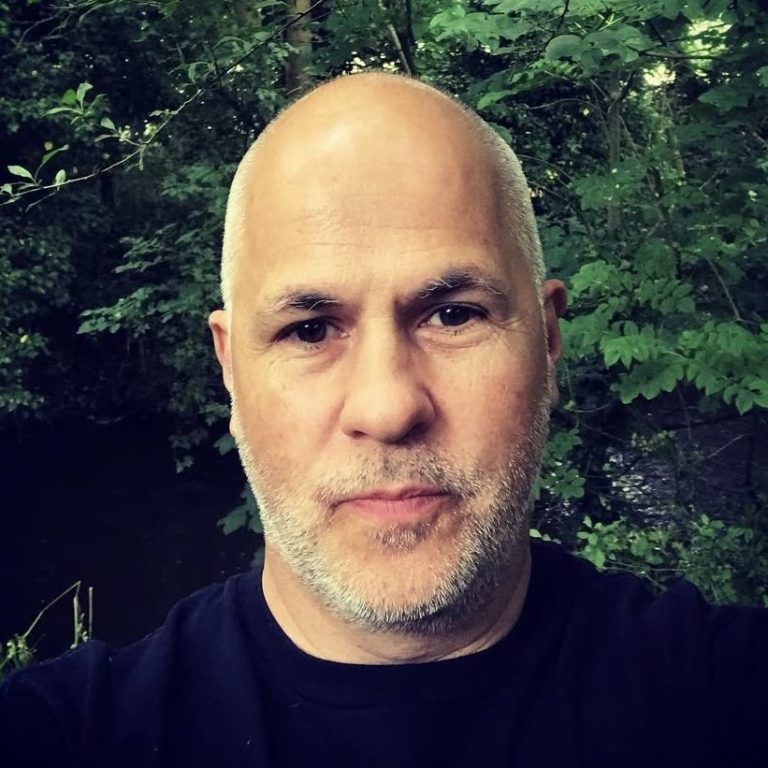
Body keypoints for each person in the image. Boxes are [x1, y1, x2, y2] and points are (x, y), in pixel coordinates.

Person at [1, 72, 766, 768]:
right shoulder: (67, 737)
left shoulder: (725, 698)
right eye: (309, 330)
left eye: (454, 314)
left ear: (547, 339)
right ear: (230, 369)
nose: (389, 407)